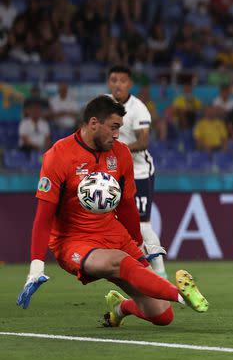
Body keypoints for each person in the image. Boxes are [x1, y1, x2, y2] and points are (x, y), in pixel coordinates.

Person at [16, 95, 209, 328]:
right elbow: (43, 216)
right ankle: (181, 295)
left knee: (162, 315)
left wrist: (137, 242)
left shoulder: (121, 153)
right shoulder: (58, 155)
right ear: (94, 123)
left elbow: (127, 205)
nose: (117, 135)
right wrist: (36, 267)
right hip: (74, 241)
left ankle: (120, 307)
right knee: (120, 261)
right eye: (114, 127)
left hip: (112, 233)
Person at [108, 66, 167, 279]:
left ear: (129, 84)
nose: (118, 85)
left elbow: (143, 141)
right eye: (114, 80)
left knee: (142, 224)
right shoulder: (103, 105)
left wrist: (116, 149)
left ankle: (161, 274)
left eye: (122, 81)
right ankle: (134, 273)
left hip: (139, 171)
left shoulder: (138, 108)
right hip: (113, 173)